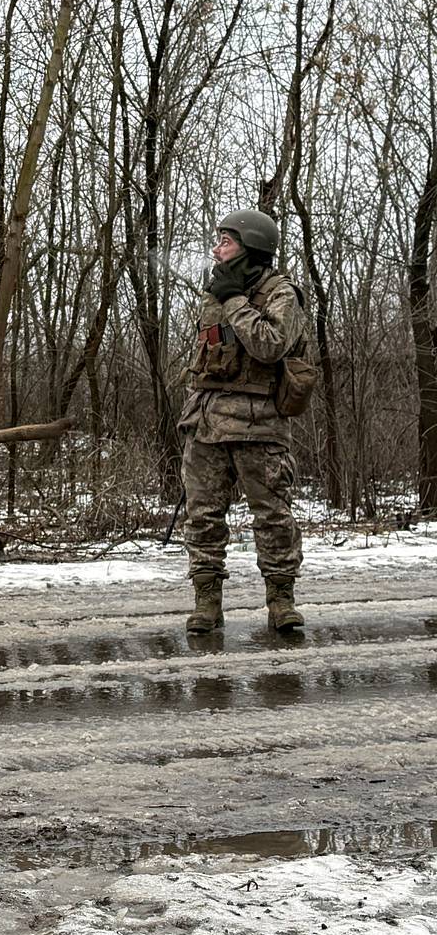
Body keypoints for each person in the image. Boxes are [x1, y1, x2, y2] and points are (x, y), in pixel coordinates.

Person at [178, 209, 309, 635]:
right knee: (202, 517)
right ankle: (207, 602)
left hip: (260, 425)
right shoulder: (215, 293)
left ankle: (281, 601)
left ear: (251, 248)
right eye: (217, 241)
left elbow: (269, 346)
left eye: (226, 242)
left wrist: (234, 300)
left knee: (272, 517)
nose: (216, 249)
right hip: (207, 424)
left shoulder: (281, 293)